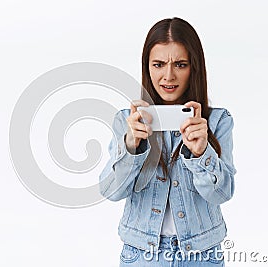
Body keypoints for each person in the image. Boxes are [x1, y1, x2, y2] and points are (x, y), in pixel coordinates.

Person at [99, 17, 236, 266]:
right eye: (159, 64)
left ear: (194, 67)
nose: (168, 76)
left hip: (202, 255)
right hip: (142, 254)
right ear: (147, 67)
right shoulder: (127, 121)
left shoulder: (216, 122)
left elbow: (222, 194)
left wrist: (202, 152)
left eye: (181, 64)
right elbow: (111, 191)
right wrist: (132, 146)